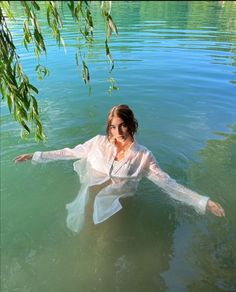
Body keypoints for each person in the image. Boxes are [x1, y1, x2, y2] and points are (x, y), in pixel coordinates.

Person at [14, 104, 225, 233]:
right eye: (113, 127)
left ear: (131, 124)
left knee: (106, 243)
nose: (118, 132)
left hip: (118, 206)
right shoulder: (97, 143)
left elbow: (168, 184)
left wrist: (203, 202)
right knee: (85, 235)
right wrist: (35, 155)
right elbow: (68, 152)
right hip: (89, 198)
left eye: (122, 125)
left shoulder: (143, 157)